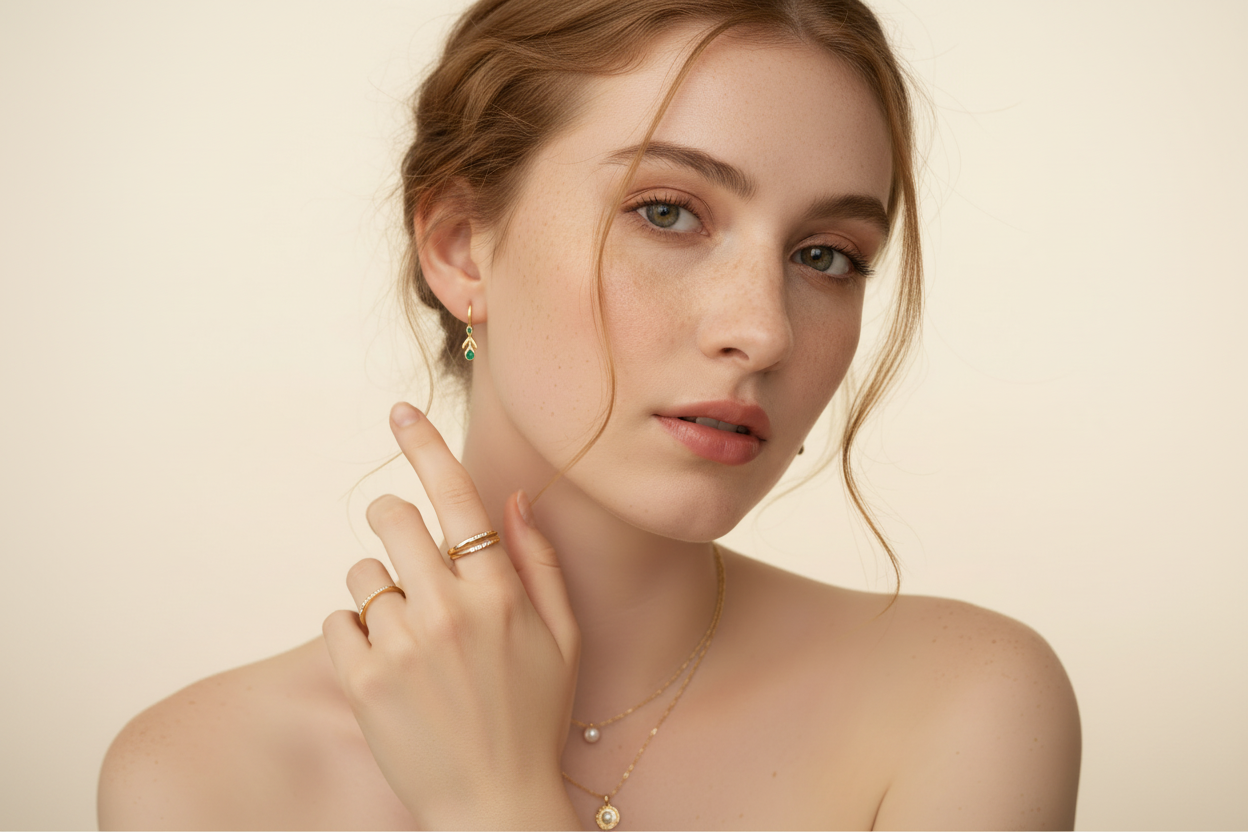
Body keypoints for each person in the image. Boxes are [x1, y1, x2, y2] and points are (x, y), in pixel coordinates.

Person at [97, 0, 1081, 828]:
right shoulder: (199, 778)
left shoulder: (963, 705)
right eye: (668, 211)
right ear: (461, 249)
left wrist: (499, 801)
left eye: (826, 254)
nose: (762, 330)